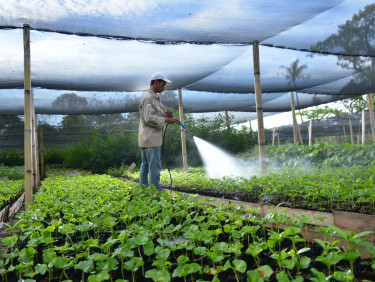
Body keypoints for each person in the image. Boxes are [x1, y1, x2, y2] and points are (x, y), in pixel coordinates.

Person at [138, 72, 180, 192]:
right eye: (163, 84)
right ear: (156, 81)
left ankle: (144, 192)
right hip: (151, 140)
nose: (164, 87)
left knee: (145, 166)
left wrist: (166, 114)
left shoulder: (155, 98)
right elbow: (149, 118)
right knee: (154, 167)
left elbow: (154, 115)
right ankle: (156, 192)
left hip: (148, 139)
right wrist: (167, 119)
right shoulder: (148, 98)